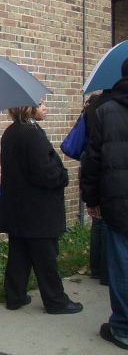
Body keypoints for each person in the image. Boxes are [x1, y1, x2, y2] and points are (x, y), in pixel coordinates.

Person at [0, 100, 83, 315]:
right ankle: (56, 301)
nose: (45, 108)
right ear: (27, 107)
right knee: (45, 258)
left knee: (19, 254)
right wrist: (63, 176)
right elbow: (45, 172)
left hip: (18, 208)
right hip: (38, 210)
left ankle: (15, 296)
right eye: (40, 104)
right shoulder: (31, 133)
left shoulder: (11, 132)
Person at [80, 58, 128, 350]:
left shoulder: (106, 112)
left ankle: (122, 326)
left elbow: (93, 160)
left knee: (122, 264)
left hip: (117, 203)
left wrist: (92, 199)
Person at [83, 90, 112, 286]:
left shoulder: (94, 104)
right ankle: (105, 272)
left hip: (93, 161)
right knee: (107, 224)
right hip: (107, 166)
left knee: (97, 220)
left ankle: (95, 267)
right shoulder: (112, 107)